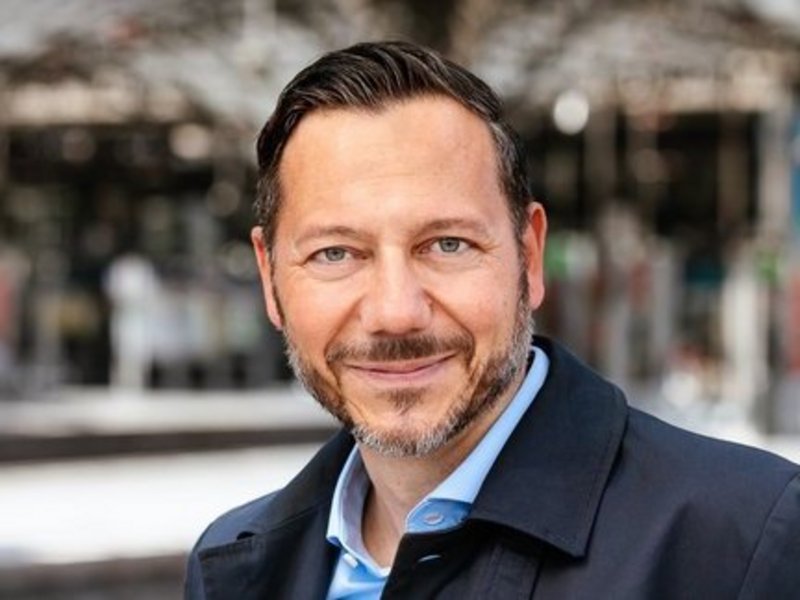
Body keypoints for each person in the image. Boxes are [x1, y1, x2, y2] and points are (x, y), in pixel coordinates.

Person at [185, 41, 800, 599]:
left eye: (447, 244)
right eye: (336, 254)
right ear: (270, 277)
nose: (395, 313)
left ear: (529, 257)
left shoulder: (744, 542)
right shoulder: (234, 568)